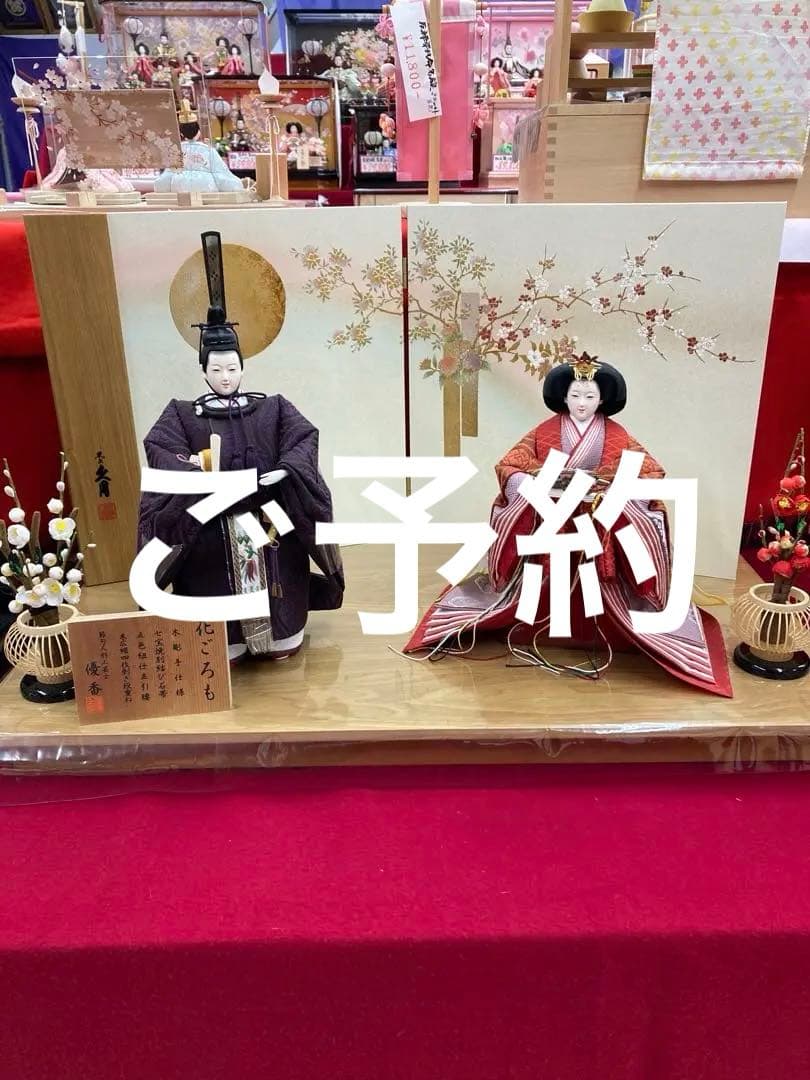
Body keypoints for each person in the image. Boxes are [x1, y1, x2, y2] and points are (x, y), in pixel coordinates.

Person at [404, 355, 732, 696]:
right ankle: (534, 624)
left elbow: (649, 470)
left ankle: (605, 626)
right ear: (564, 397)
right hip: (551, 515)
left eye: (590, 396)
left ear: (602, 399)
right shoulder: (545, 432)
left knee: (621, 529)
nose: (582, 403)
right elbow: (510, 465)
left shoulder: (616, 435)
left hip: (597, 518)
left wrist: (610, 490)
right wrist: (529, 485)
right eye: (575, 395)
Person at [137, 231, 344, 662]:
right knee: (211, 577)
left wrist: (285, 470)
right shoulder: (182, 414)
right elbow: (161, 450)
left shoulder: (272, 407)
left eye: (232, 367)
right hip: (211, 518)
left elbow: (302, 439)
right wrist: (197, 476)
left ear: (243, 366)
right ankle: (226, 639)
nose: (226, 377)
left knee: (281, 563)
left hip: (268, 512)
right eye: (217, 370)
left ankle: (281, 635)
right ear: (204, 371)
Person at [153, 102, 244, 193]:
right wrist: (237, 184)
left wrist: (159, 186)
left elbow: (167, 177)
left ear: (181, 133)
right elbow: (221, 175)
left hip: (181, 191)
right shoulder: (208, 150)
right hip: (206, 190)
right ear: (198, 132)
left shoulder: (175, 151)